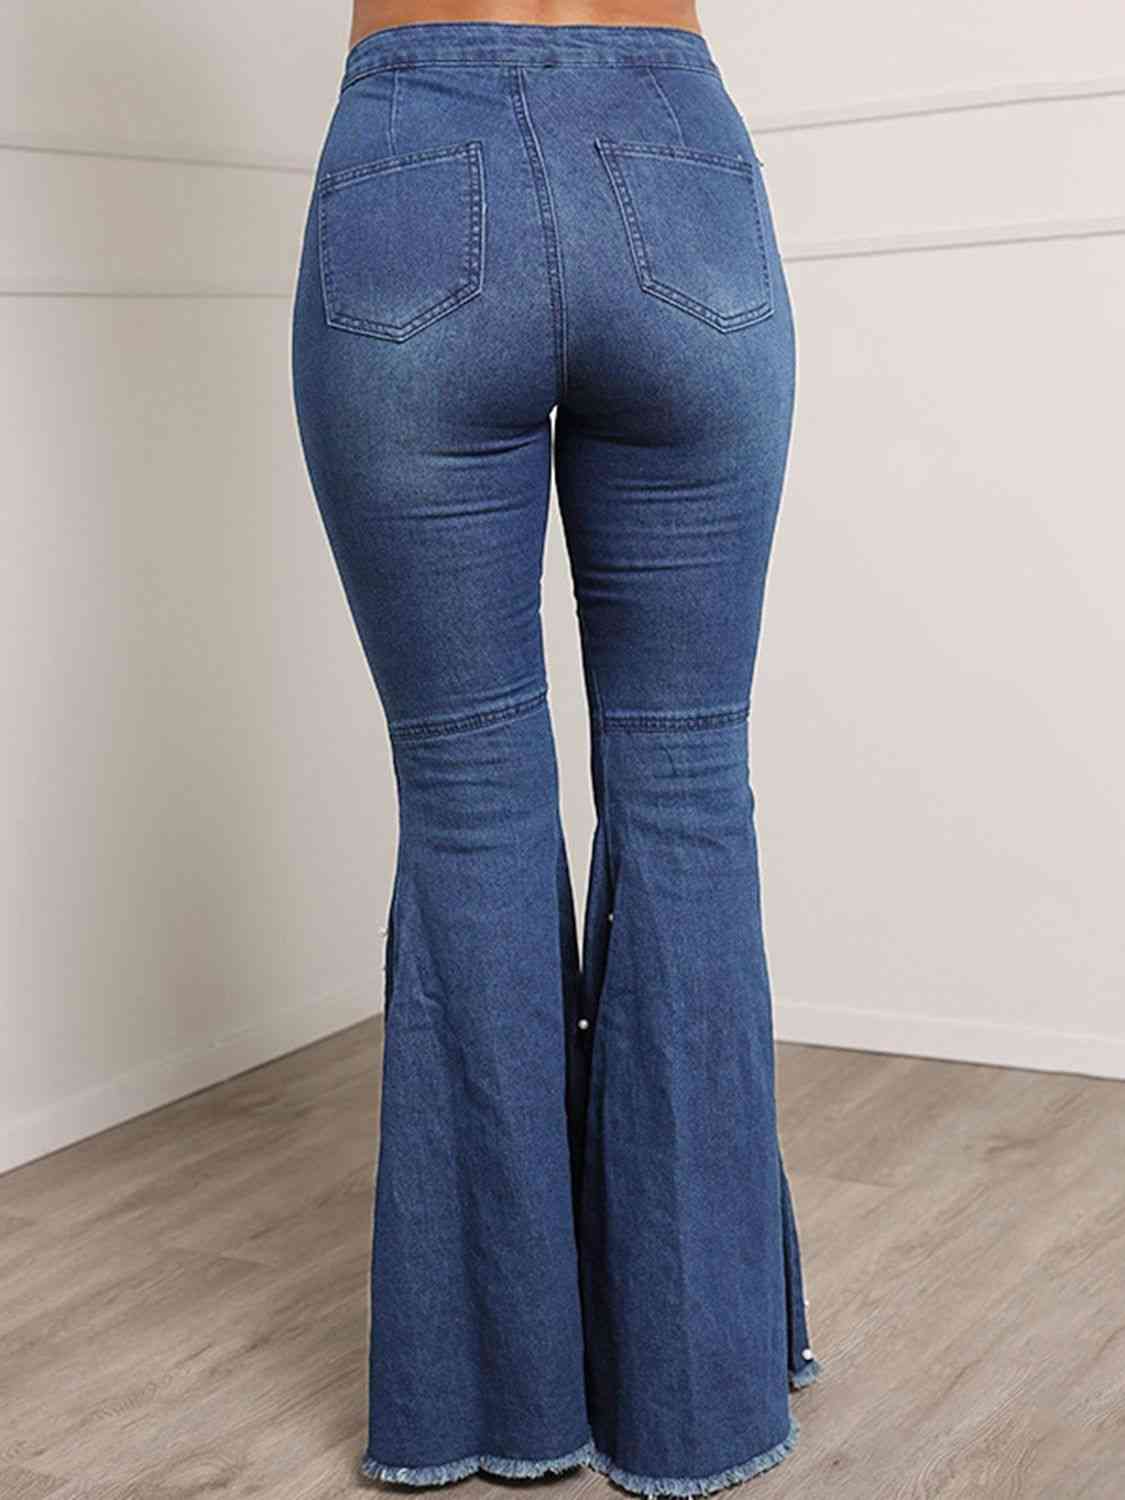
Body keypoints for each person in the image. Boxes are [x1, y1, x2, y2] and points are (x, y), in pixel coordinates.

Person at [291, 2, 821, 1492]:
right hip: (674, 165)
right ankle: (699, 1396)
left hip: (410, 159)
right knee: (687, 786)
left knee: (469, 801)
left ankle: (499, 1400)